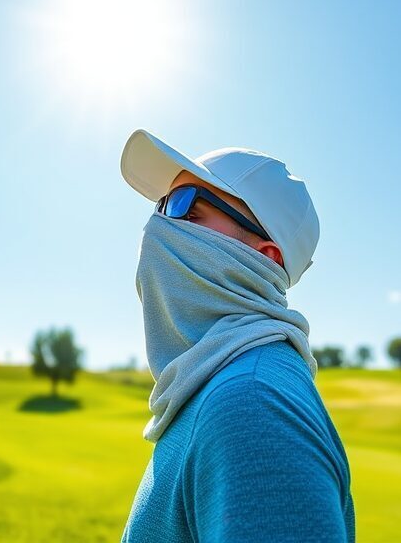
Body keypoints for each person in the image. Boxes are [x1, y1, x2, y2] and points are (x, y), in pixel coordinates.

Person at [117, 129, 355, 542]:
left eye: (187, 209)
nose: (158, 226)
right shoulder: (213, 386)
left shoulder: (252, 406)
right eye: (162, 206)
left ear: (262, 256)